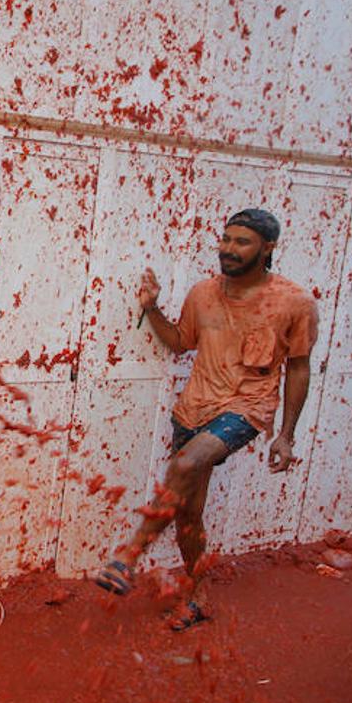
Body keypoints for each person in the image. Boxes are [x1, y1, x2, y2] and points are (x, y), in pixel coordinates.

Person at [94, 208, 318, 629]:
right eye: (226, 239)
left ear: (267, 248)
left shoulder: (295, 302)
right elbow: (181, 342)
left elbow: (299, 367)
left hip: (246, 407)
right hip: (194, 408)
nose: (229, 248)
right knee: (187, 514)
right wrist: (152, 308)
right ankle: (197, 597)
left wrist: (286, 435)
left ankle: (128, 557)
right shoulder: (202, 293)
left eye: (242, 241)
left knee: (185, 464)